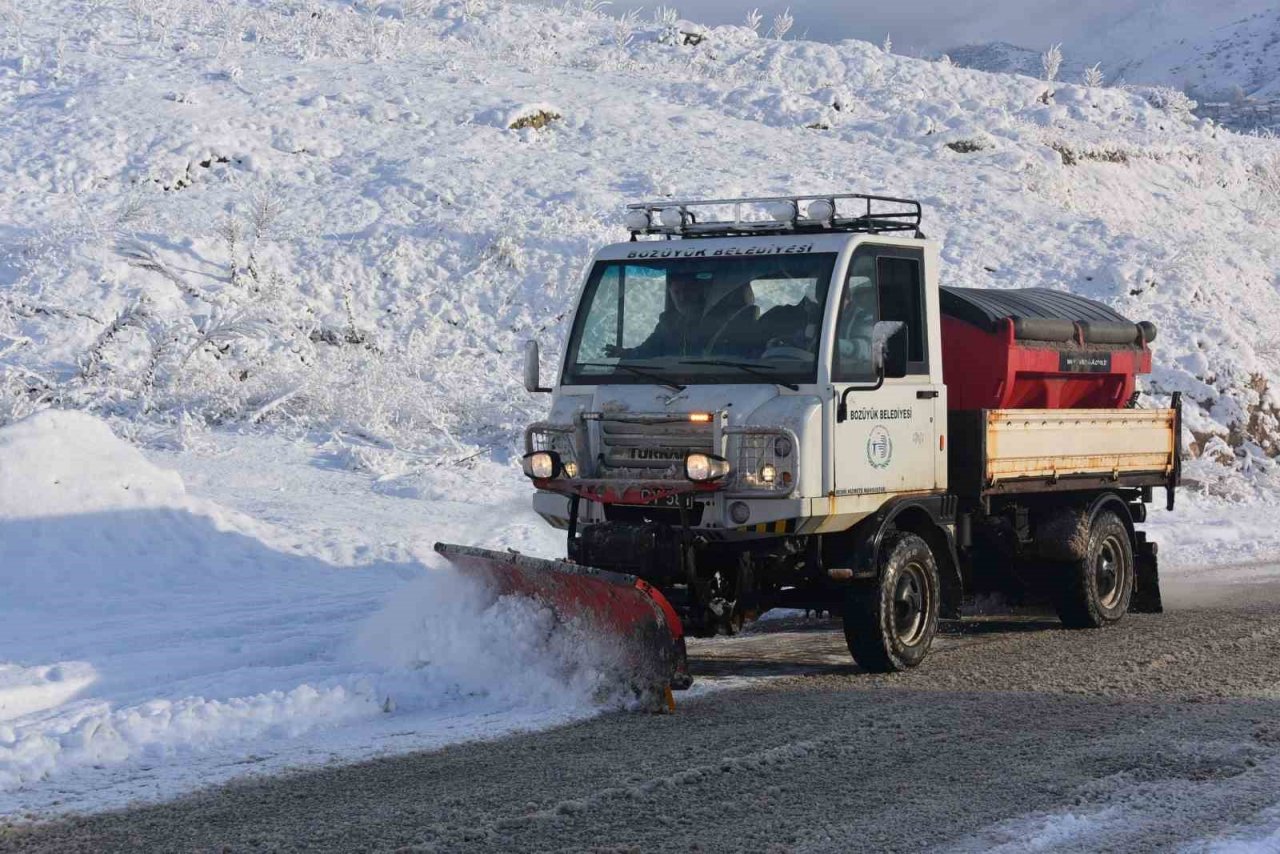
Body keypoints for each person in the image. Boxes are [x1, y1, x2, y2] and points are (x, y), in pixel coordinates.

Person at [613, 269, 758, 359]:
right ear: (670, 293)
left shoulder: (728, 323)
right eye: (677, 292)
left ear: (700, 291)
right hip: (669, 384)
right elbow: (648, 351)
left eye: (688, 290)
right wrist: (626, 355)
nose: (682, 298)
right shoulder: (668, 323)